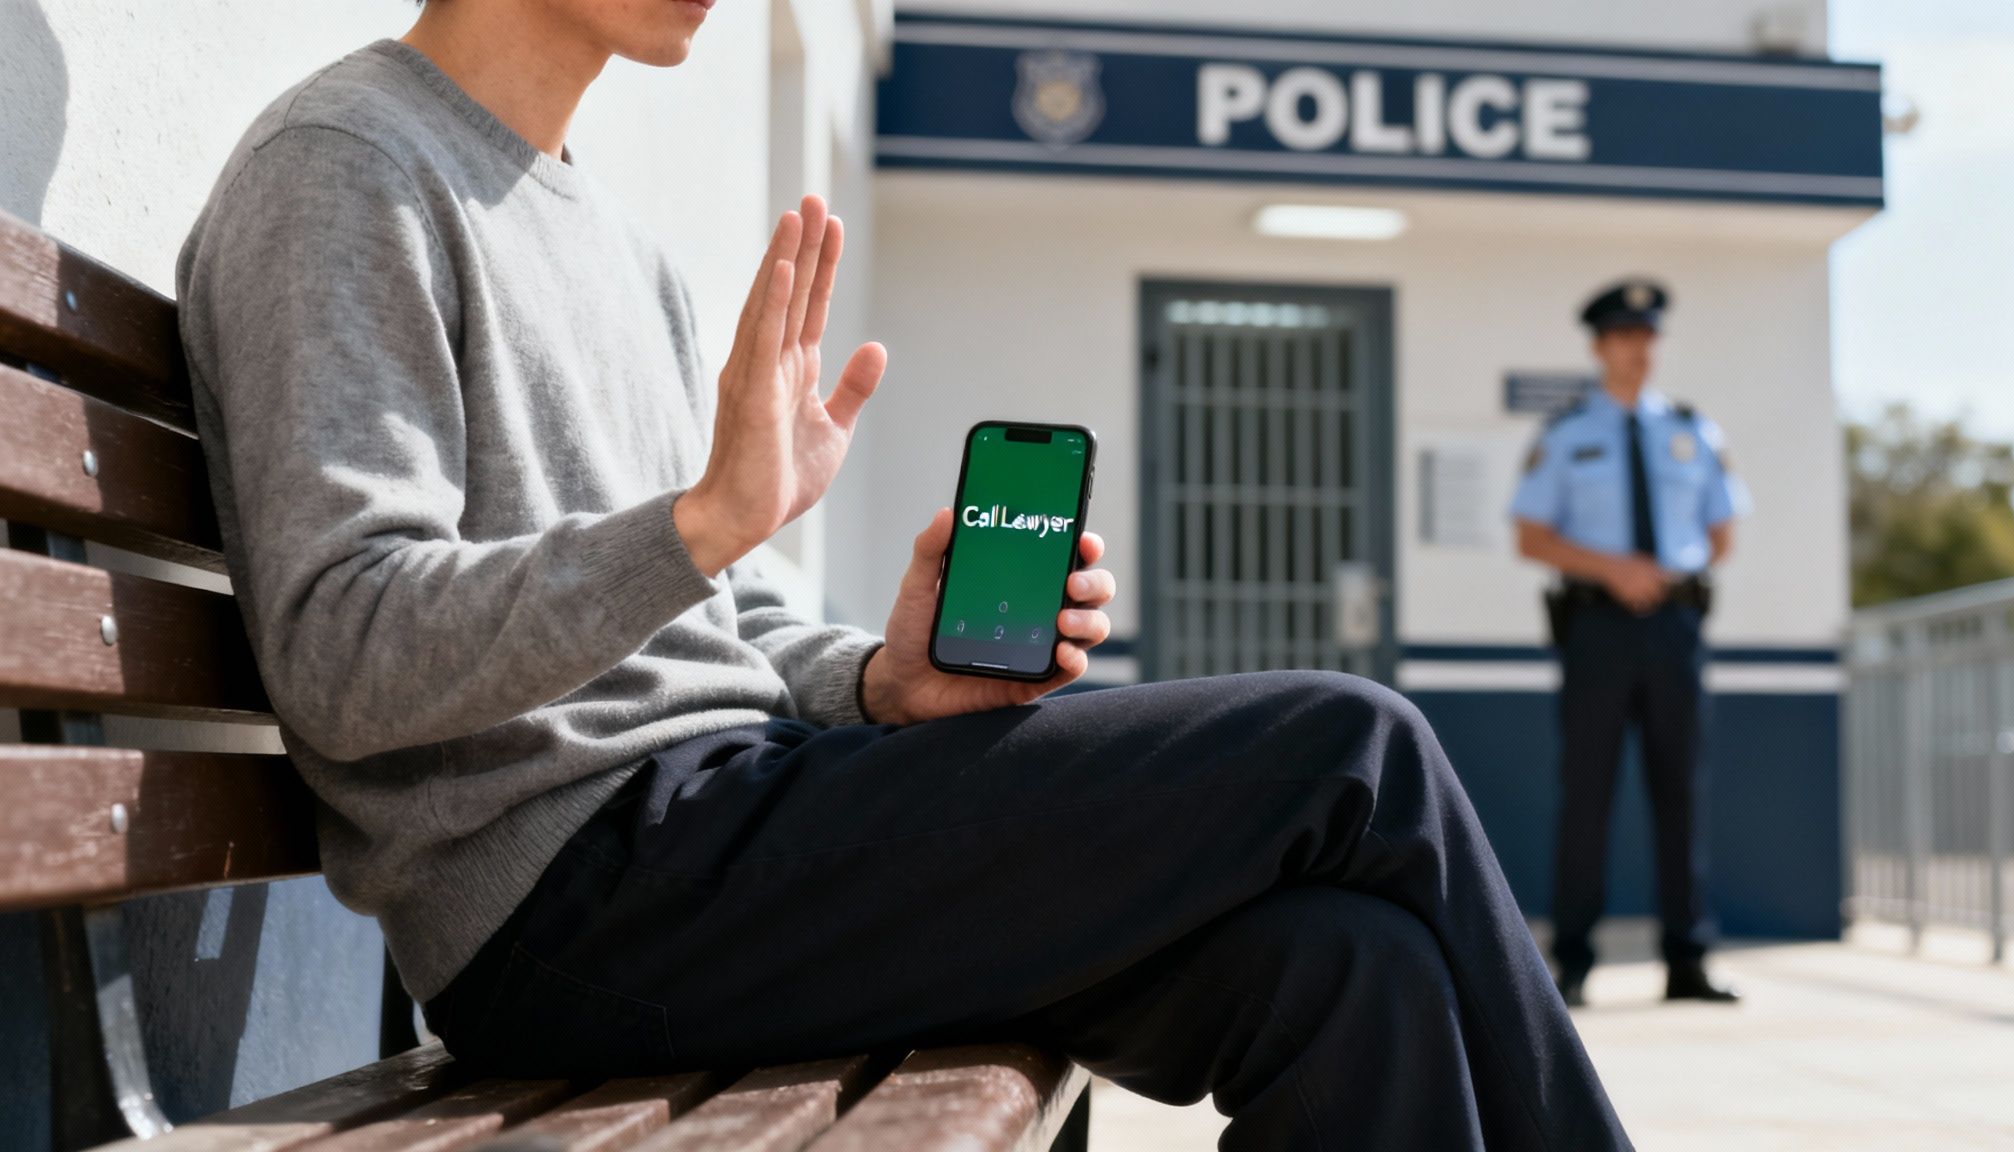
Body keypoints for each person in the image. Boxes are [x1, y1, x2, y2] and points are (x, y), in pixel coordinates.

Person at [174, 1, 1633, 1146]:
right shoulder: (347, 165)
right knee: (1354, 744)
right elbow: (344, 654)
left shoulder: (621, 243)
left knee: (1345, 966)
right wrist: (697, 523)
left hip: (722, 829)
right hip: (574, 899)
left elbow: (705, 612)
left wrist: (876, 679)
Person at [1510, 279, 1748, 1008]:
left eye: (1647, 336)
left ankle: (1687, 959)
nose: (1637, 350)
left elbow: (1722, 530)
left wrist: (1667, 576)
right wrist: (1613, 568)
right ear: (1598, 347)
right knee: (1587, 793)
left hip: (1675, 627)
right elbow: (1531, 535)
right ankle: (1575, 961)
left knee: (1681, 790)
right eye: (1623, 336)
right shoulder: (1565, 434)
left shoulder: (1693, 430)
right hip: (1598, 631)